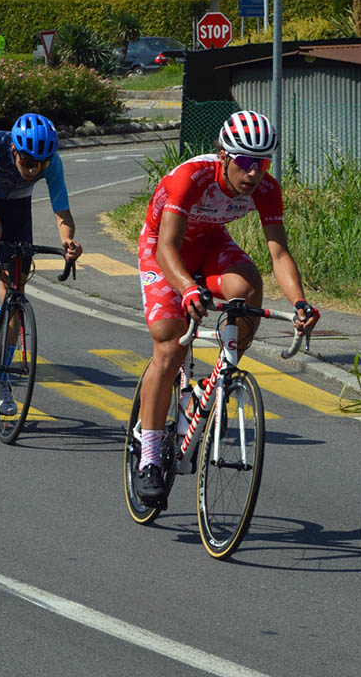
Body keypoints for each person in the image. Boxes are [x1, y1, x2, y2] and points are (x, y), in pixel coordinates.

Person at [130, 110, 319, 502]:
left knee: (246, 289)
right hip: (163, 248)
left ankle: (219, 379)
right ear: (223, 156)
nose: (253, 173)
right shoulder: (192, 177)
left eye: (262, 163)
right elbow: (166, 247)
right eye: (245, 162)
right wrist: (187, 288)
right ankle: (148, 457)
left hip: (210, 243)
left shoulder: (266, 188)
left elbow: (279, 253)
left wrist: (300, 302)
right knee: (169, 343)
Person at [0, 113, 82, 411]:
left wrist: (68, 240)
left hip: (18, 206)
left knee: (15, 300)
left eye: (41, 164)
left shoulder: (51, 162)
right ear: (14, 150)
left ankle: (1, 379)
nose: (33, 170)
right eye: (28, 162)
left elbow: (62, 211)